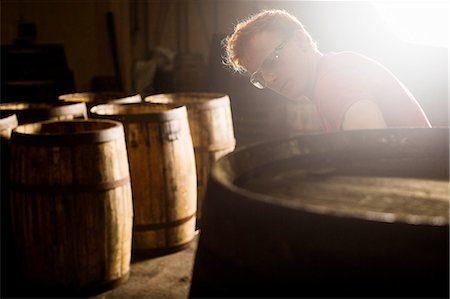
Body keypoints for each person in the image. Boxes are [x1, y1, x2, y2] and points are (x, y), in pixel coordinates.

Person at [223, 9, 431, 132]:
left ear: (301, 41)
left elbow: (374, 154)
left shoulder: (333, 81)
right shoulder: (333, 70)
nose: (270, 79)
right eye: (259, 77)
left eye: (271, 62)